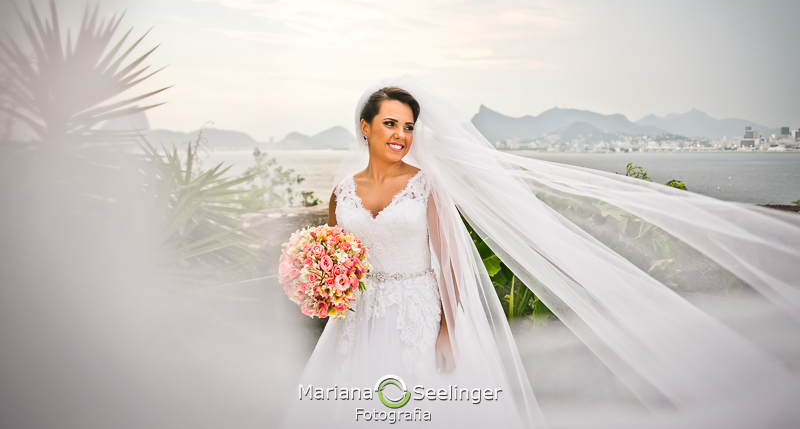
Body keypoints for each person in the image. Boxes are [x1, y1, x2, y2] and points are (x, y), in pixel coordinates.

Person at [281, 76, 800, 429]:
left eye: (408, 125)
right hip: (357, 319)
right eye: (390, 123)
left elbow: (448, 262)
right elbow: (338, 251)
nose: (400, 135)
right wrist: (319, 283)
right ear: (366, 127)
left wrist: (447, 329)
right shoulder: (342, 191)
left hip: (418, 311)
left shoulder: (426, 187)